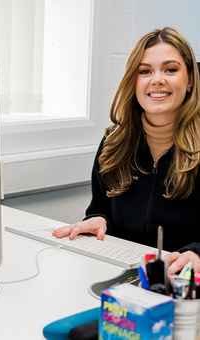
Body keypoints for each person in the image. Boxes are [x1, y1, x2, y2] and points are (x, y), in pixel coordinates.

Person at [53, 27, 200, 276]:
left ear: (190, 82)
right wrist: (99, 220)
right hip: (120, 278)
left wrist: (197, 252)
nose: (157, 80)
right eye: (145, 71)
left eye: (171, 69)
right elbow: (100, 207)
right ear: (134, 82)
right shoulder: (114, 141)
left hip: (184, 286)